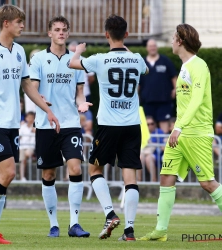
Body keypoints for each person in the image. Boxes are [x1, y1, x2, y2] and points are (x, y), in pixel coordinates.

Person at [0, 5, 59, 244]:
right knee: (9, 173)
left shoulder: (19, 51)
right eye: (19, 21)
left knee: (1, 175)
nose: (23, 25)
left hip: (11, 122)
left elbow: (28, 85)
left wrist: (47, 110)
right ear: (6, 23)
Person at [138, 23, 222, 241]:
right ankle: (160, 231)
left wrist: (178, 126)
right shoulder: (184, 66)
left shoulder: (199, 65)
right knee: (166, 176)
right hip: (180, 134)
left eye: (174, 37)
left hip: (196, 134)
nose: (172, 41)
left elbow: (195, 101)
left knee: (207, 183)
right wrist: (178, 128)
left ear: (181, 41)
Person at [69, 14, 148, 241]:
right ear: (127, 34)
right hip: (132, 124)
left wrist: (78, 50)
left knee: (95, 170)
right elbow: (145, 71)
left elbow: (72, 64)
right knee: (130, 177)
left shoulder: (100, 59)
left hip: (107, 125)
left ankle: (110, 213)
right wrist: (131, 56)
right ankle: (130, 231)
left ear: (106, 35)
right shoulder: (138, 59)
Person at [29, 15, 91, 238]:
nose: (61, 33)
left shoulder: (76, 61)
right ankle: (53, 224)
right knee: (48, 174)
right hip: (46, 124)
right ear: (50, 33)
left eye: (64, 29)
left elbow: (80, 92)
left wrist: (82, 103)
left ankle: (74, 223)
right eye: (57, 29)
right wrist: (41, 100)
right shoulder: (37, 60)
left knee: (75, 168)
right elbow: (33, 88)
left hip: (70, 123)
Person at [139, 39, 178, 134]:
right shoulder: (142, 63)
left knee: (164, 129)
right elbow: (138, 82)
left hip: (164, 101)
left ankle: (162, 149)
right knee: (148, 128)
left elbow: (174, 77)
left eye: (154, 45)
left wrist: (175, 89)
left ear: (157, 47)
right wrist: (135, 95)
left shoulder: (165, 61)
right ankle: (149, 149)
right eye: (150, 46)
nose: (152, 48)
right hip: (147, 101)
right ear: (147, 48)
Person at [140, 116, 165, 182]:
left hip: (156, 154)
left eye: (152, 123)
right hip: (143, 153)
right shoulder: (141, 132)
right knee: (140, 157)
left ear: (155, 124)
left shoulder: (159, 132)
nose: (150, 125)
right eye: (148, 124)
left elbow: (163, 145)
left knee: (148, 158)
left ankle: (154, 180)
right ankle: (138, 180)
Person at [19, 111, 36, 181]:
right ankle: (22, 177)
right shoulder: (22, 126)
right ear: (26, 118)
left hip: (31, 146)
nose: (30, 119)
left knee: (27, 155)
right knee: (22, 161)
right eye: (29, 117)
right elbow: (19, 136)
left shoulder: (36, 127)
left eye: (32, 118)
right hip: (22, 146)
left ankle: (33, 156)